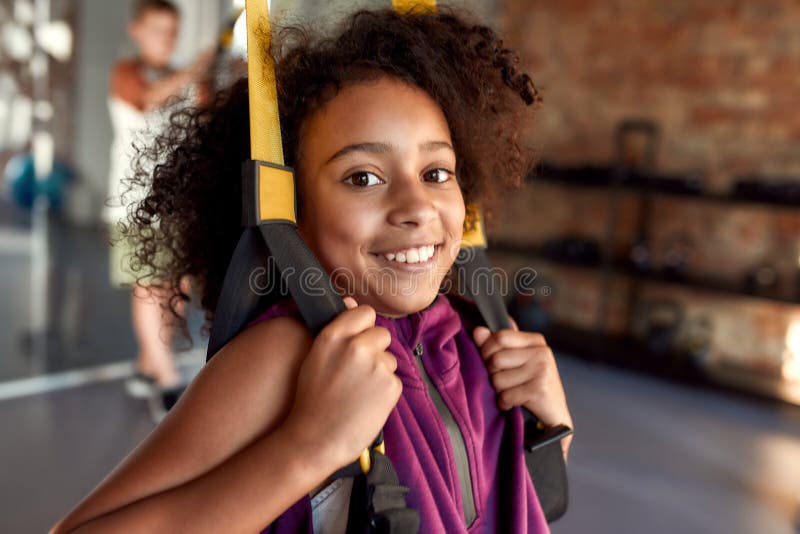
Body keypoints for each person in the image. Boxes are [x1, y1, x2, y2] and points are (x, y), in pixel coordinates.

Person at [53, 7, 573, 533]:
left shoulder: (472, 334)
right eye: (363, 177)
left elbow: (499, 505)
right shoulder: (288, 355)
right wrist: (307, 447)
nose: (417, 206)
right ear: (293, 212)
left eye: (436, 172)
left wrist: (550, 425)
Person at [104, 0, 209, 420]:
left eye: (172, 30)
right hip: (135, 205)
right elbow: (146, 100)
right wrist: (193, 72)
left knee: (176, 290)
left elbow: (204, 122)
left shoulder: (189, 82)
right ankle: (167, 381)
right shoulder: (126, 73)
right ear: (137, 31)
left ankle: (150, 364)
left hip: (177, 205)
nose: (165, 38)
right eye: (156, 29)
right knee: (148, 288)